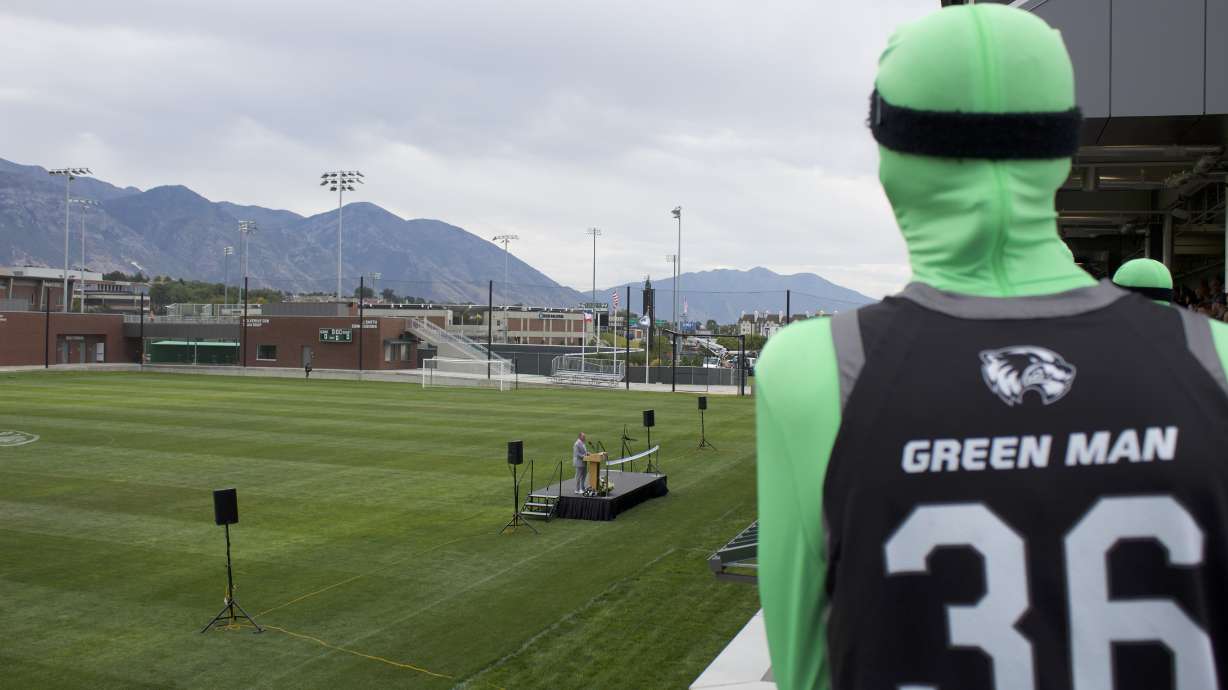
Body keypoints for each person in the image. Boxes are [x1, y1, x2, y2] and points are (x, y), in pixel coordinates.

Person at [755, 4, 1228, 689]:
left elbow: (807, 670)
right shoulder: (1214, 360)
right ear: (1063, 151)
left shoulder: (813, 367)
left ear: (891, 159)